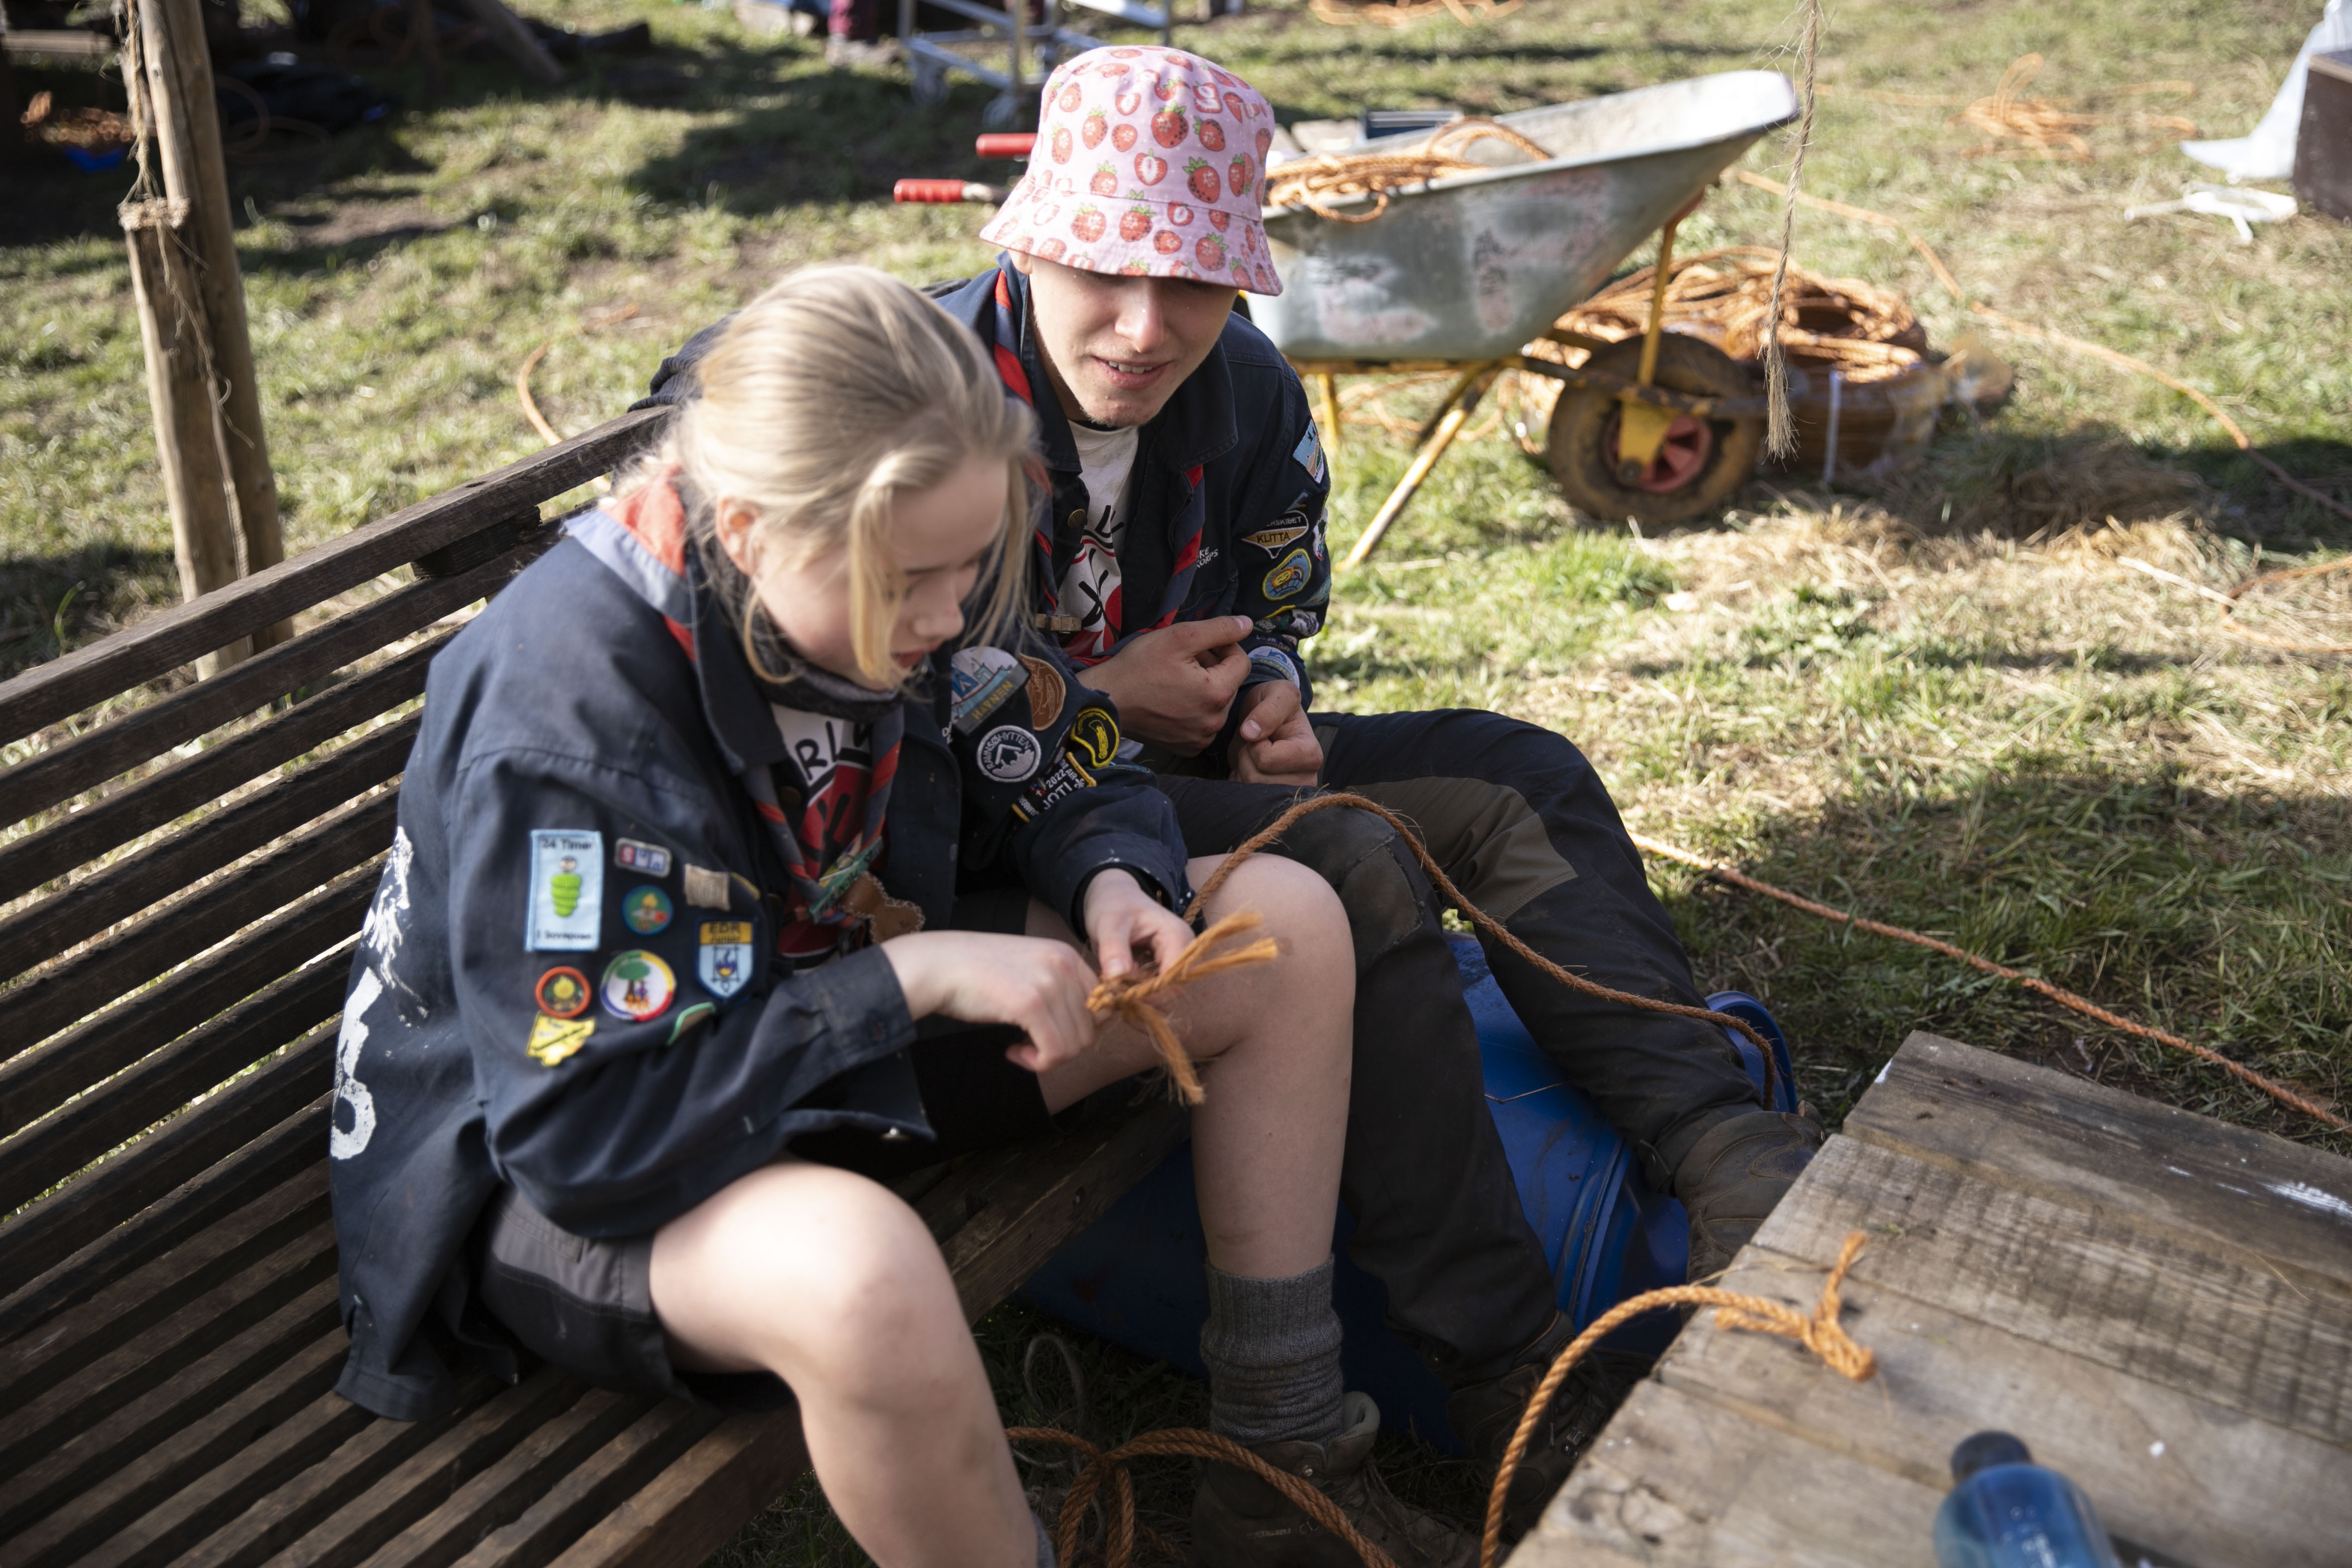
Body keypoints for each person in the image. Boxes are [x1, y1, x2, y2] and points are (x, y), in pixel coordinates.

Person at [638, 48, 1821, 1543]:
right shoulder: (915, 396)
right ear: (1027, 242)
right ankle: (1509, 1368)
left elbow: (1280, 587)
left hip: (1157, 794)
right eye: (1104, 273)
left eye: (1193, 282)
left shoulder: (1245, 387)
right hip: (986, 840)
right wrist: (1100, 691)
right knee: (1349, 869)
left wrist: (1266, 691)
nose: (1146, 328)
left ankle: (1725, 1151)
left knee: (1518, 778)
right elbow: (838, 642)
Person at [326, 266, 1475, 1567]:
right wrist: (911, 980)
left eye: (973, 568)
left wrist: (1110, 875)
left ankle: (1282, 1471)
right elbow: (586, 1134)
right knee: (864, 1271)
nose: (946, 617)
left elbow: (1023, 719)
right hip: (565, 1176)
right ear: (748, 530)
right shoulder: (576, 724)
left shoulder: (883, 563)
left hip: (808, 1023)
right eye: (916, 583)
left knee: (1277, 930)